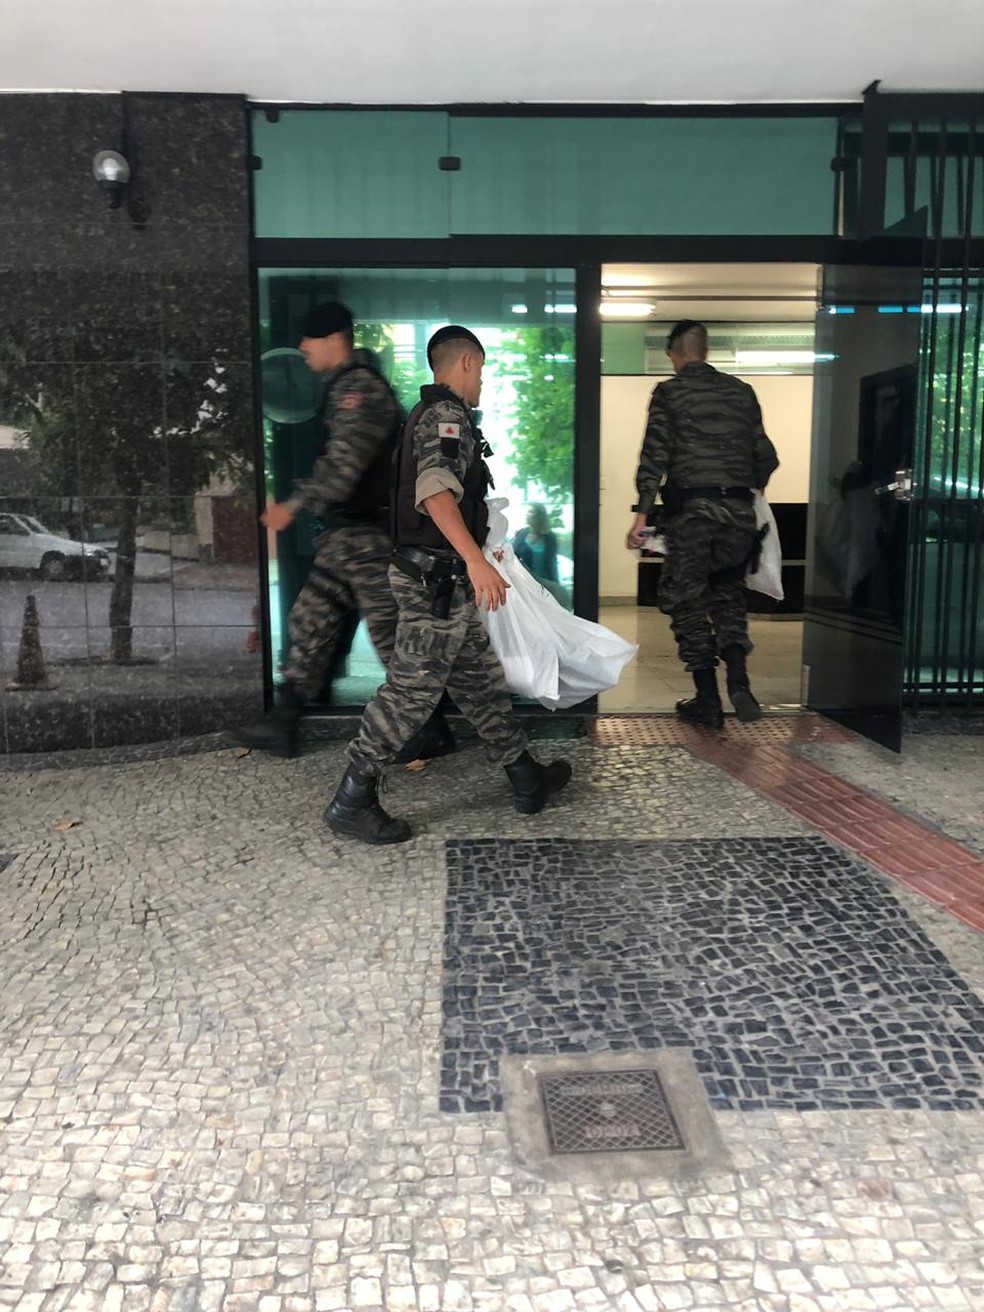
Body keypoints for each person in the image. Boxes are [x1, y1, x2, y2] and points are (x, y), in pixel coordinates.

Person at [324, 325, 573, 845]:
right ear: (465, 363)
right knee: (410, 693)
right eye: (481, 370)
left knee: (481, 682)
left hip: (442, 578)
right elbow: (435, 494)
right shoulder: (445, 417)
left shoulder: (436, 415)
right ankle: (352, 797)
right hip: (435, 579)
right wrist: (475, 562)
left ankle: (526, 778)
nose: (482, 381)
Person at [233, 301, 453, 761]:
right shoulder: (343, 387)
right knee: (310, 619)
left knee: (392, 639)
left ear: (335, 340)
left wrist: (290, 508)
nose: (302, 348)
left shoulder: (359, 391)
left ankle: (430, 727)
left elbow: (343, 468)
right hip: (346, 538)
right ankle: (285, 721)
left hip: (371, 539)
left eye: (308, 339)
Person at [626, 320, 780, 728]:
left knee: (684, 599)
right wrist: (750, 491)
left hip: (693, 514)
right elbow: (767, 456)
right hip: (739, 513)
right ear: (706, 351)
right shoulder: (742, 393)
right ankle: (741, 684)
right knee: (727, 592)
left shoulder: (670, 392)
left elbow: (654, 455)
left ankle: (708, 699)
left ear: (674, 353)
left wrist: (642, 515)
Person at [512, 503, 571, 607]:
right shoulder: (521, 535)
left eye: (531, 512)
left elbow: (552, 563)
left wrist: (555, 584)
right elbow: (513, 557)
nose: (527, 514)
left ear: (539, 516)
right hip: (527, 583)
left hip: (545, 583)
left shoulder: (550, 537)